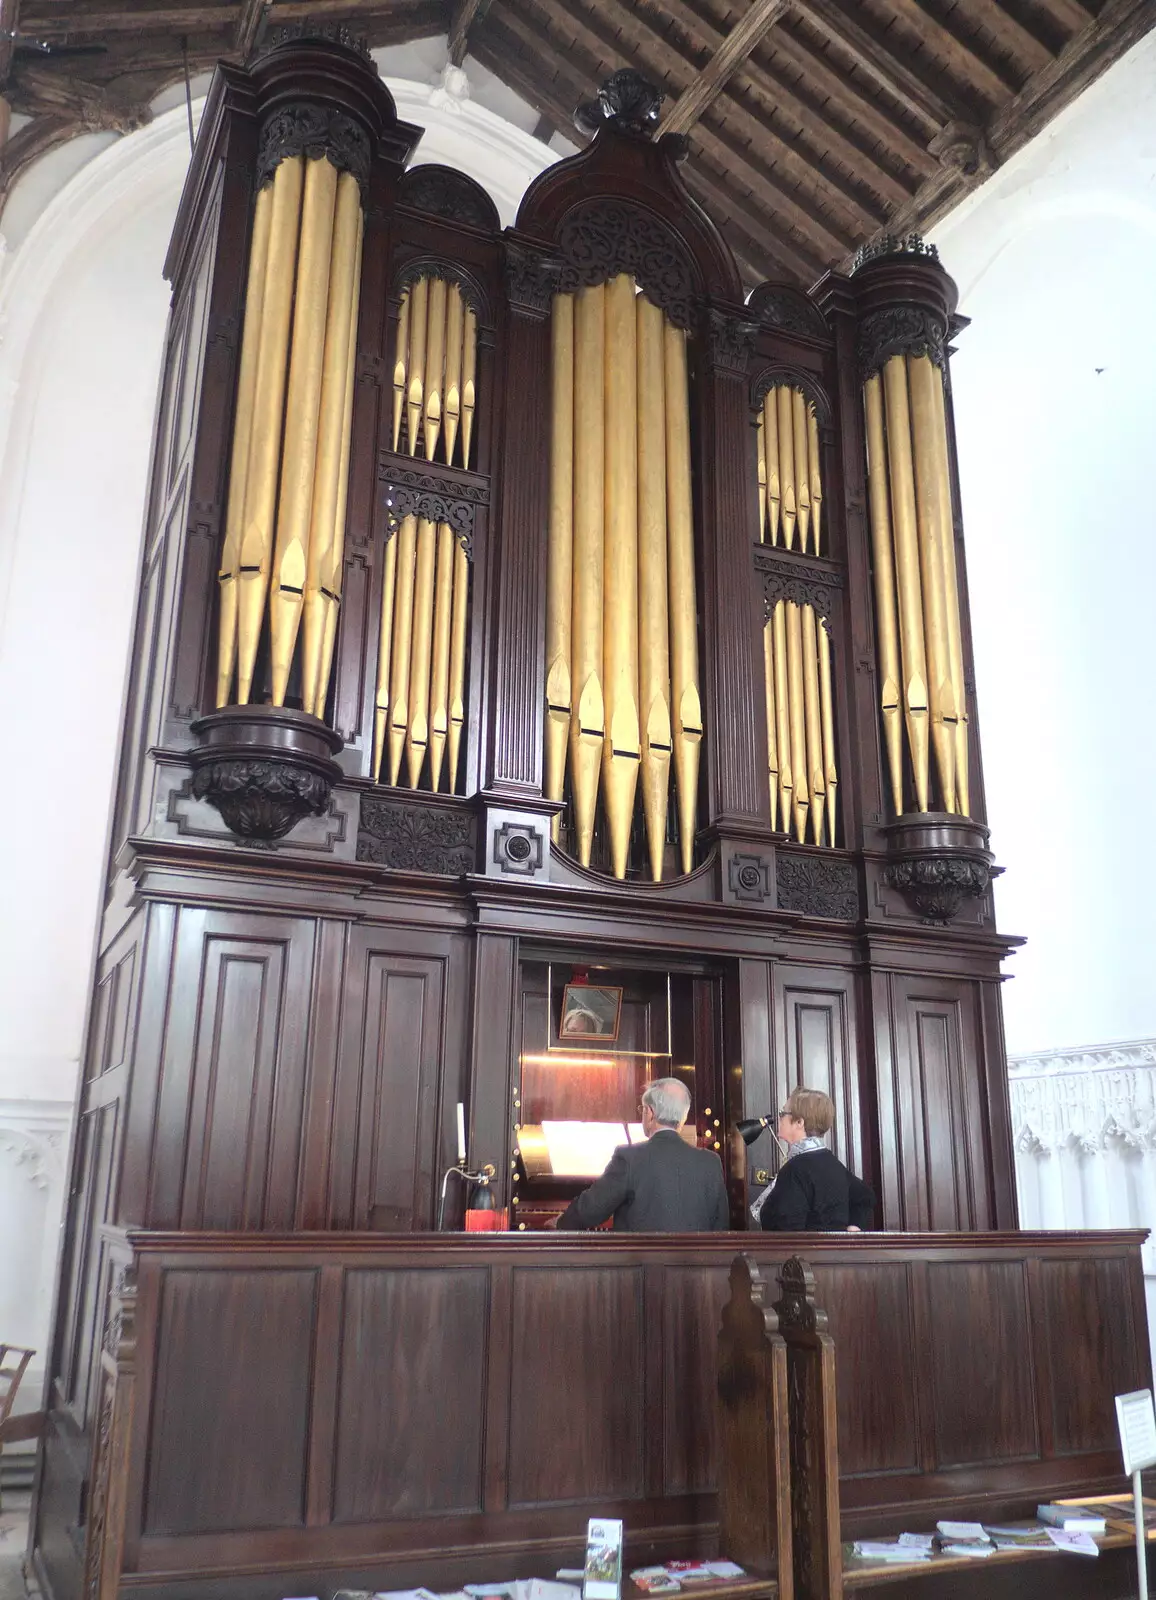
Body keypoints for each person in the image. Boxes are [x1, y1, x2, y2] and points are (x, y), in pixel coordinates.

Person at [555, 1078, 730, 1232]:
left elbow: (590, 1210)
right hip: (696, 1268)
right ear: (683, 1118)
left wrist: (559, 1223)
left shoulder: (629, 1158)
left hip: (639, 1268)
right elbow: (721, 1226)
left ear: (650, 1113)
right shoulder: (710, 1162)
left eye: (643, 1110)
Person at [756, 1086, 874, 1232]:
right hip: (831, 1253)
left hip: (799, 1254)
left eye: (782, 1113)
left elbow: (786, 1229)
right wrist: (853, 1228)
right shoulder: (832, 1163)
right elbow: (864, 1196)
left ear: (800, 1122)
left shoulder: (796, 1169)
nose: (779, 1118)